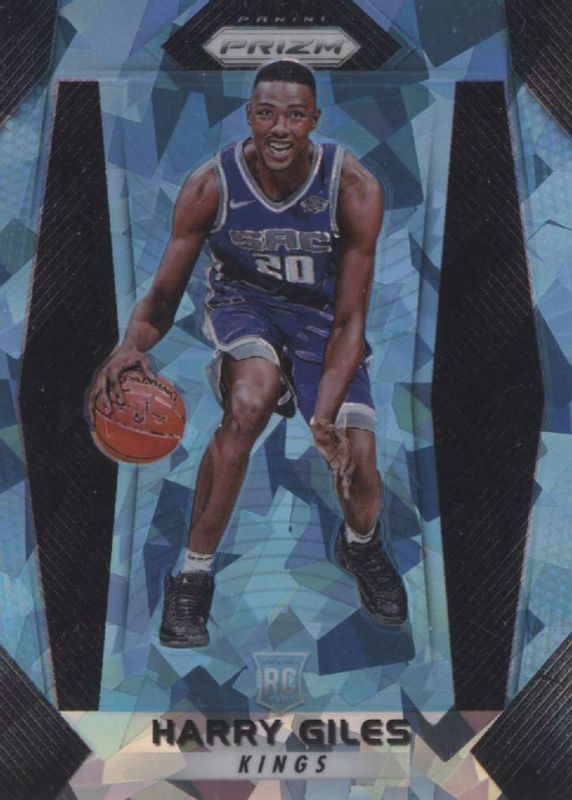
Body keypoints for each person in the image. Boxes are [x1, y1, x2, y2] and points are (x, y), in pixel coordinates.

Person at [89, 59, 407, 648]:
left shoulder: (354, 187)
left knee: (358, 462)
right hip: (246, 307)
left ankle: (361, 546)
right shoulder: (210, 185)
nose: (280, 127)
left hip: (321, 321)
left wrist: (323, 418)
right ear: (249, 117)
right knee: (248, 404)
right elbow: (164, 293)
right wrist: (130, 345)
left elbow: (349, 317)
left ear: (315, 119)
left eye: (294, 114)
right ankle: (193, 575)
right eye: (266, 114)